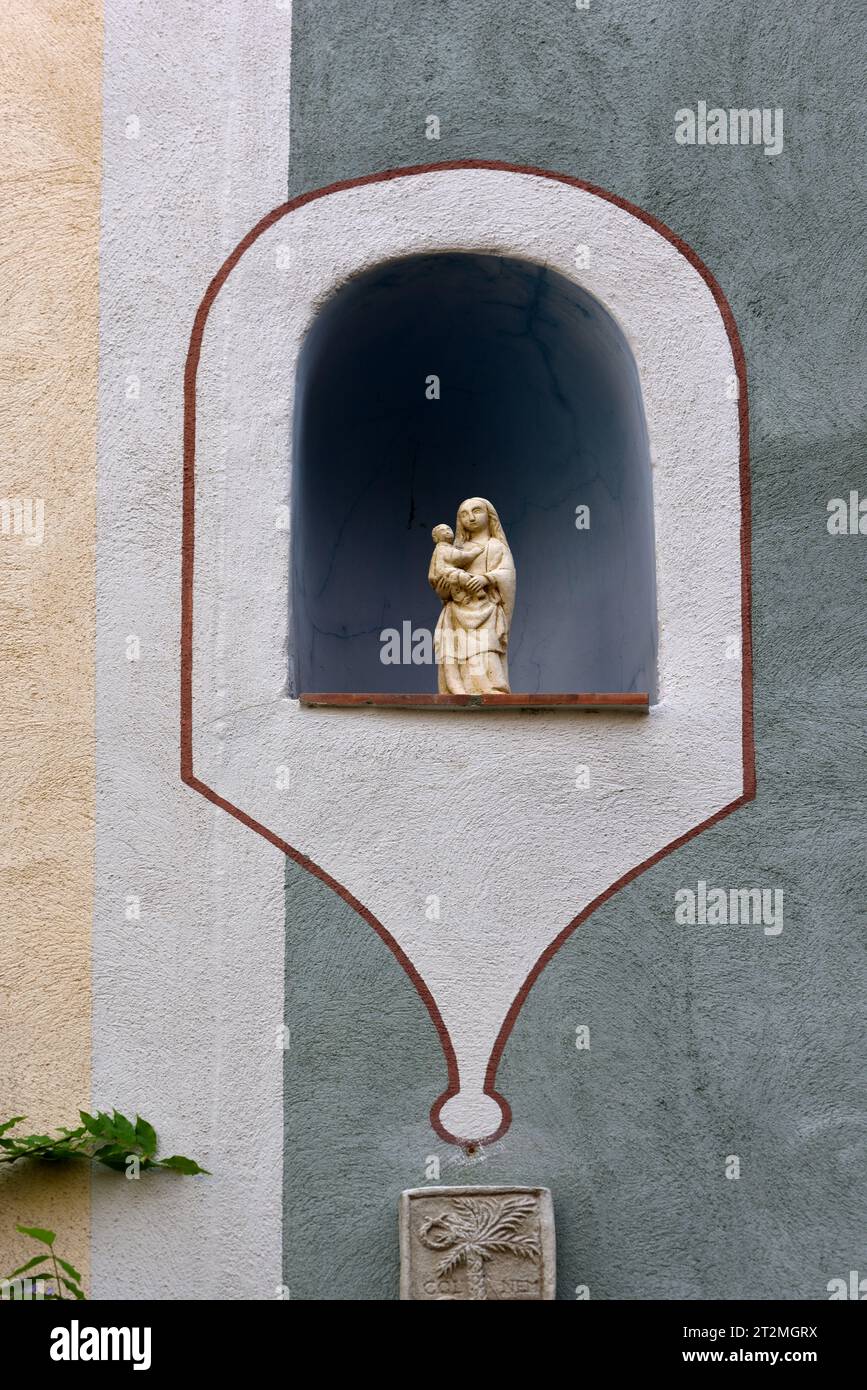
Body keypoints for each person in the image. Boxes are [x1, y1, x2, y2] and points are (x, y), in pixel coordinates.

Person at [428, 497, 516, 695]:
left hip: (486, 611)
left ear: (489, 515)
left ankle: (490, 690)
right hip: (456, 614)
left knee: (486, 652)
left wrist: (486, 578)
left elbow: (508, 575)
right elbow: (441, 582)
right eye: (464, 514)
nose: (471, 517)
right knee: (456, 654)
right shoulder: (455, 550)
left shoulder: (496, 546)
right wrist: (443, 590)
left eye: (476, 511)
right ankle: (458, 690)